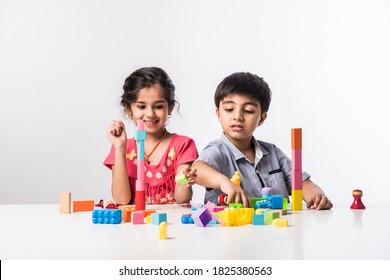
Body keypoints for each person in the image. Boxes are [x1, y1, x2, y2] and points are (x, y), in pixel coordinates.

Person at [192, 72, 333, 210]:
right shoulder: (217, 150)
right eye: (229, 109)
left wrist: (316, 195)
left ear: (262, 118)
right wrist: (223, 182)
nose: (238, 116)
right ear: (218, 113)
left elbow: (302, 183)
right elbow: (197, 170)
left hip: (277, 229)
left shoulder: (273, 153)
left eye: (248, 110)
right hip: (235, 230)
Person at [104, 67, 198, 205]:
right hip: (135, 225)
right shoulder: (123, 148)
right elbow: (121, 200)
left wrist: (184, 181)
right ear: (128, 109)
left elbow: (181, 198)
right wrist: (119, 147)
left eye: (158, 106)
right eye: (141, 107)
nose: (150, 114)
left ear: (170, 107)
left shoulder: (182, 145)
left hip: (169, 224)